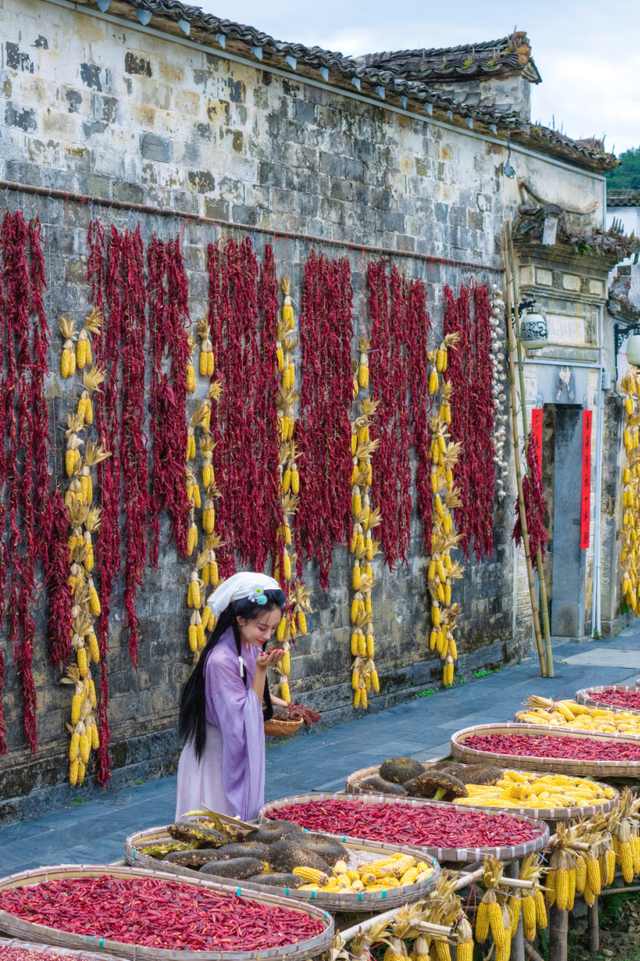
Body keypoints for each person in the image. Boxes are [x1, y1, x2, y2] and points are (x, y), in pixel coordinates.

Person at [175, 572, 288, 822]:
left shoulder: (249, 645)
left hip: (224, 750)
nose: (268, 636)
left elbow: (242, 690)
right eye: (262, 627)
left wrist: (272, 699)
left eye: (273, 628)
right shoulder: (219, 660)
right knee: (211, 840)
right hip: (216, 761)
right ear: (239, 619)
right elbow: (239, 718)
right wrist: (261, 670)